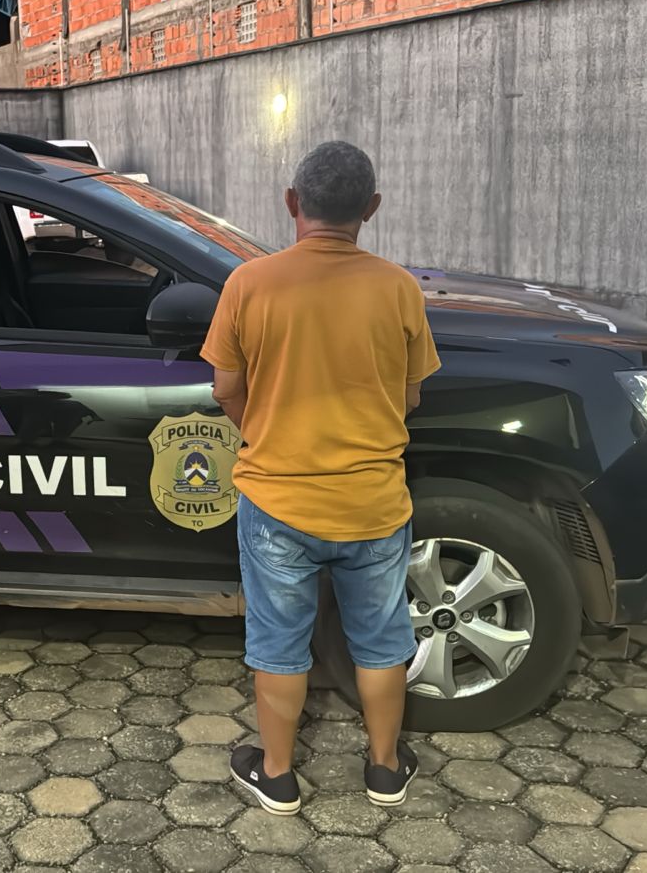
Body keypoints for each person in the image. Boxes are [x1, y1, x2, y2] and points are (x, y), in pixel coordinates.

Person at [201, 140, 440, 814]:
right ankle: (385, 769)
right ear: (371, 207)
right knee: (382, 639)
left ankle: (278, 776)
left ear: (291, 202)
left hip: (276, 499)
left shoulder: (249, 284)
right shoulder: (398, 288)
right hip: (373, 502)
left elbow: (225, 389)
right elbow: (410, 396)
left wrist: (264, 431)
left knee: (278, 643)